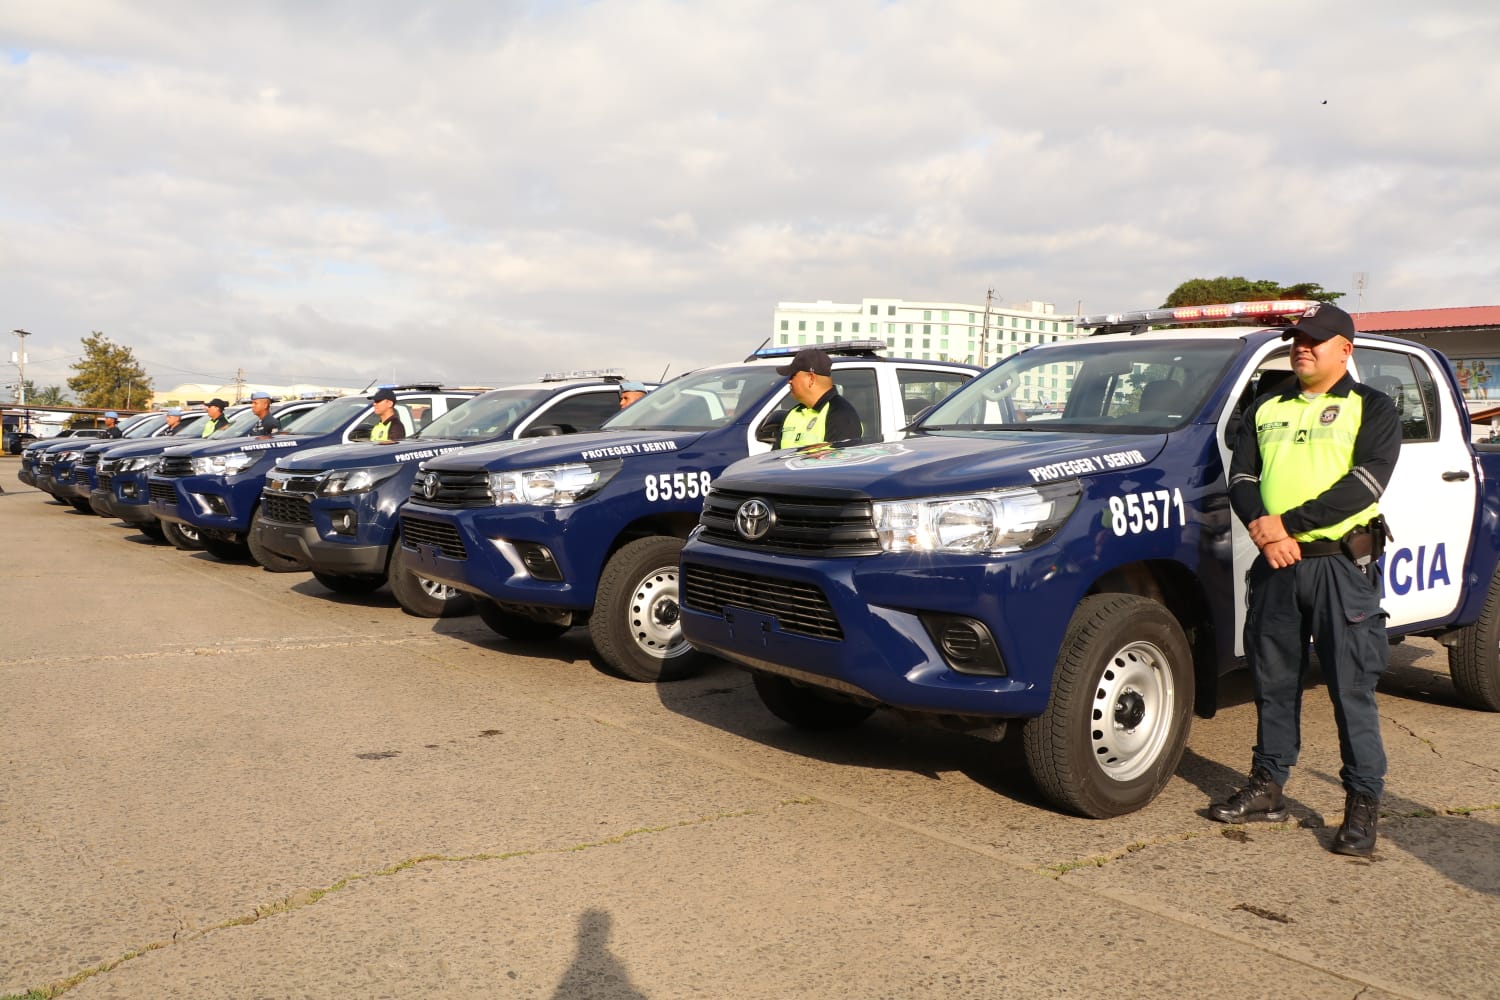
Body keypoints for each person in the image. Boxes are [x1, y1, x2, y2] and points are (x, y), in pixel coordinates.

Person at [1213, 302, 1401, 857]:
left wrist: (1287, 527)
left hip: (1338, 568)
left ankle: (1362, 803)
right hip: (1276, 566)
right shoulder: (1266, 407)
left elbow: (1365, 484)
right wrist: (1266, 534)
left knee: (1351, 688)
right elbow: (1242, 478)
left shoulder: (1372, 407)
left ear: (1346, 348)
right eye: (1297, 339)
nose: (1302, 347)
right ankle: (1268, 787)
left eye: (1315, 340)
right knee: (1272, 683)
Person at [774, 348, 863, 448]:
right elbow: (775, 457)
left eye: (793, 375)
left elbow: (840, 461)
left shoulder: (842, 414)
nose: (789, 381)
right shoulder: (792, 414)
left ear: (811, 378)